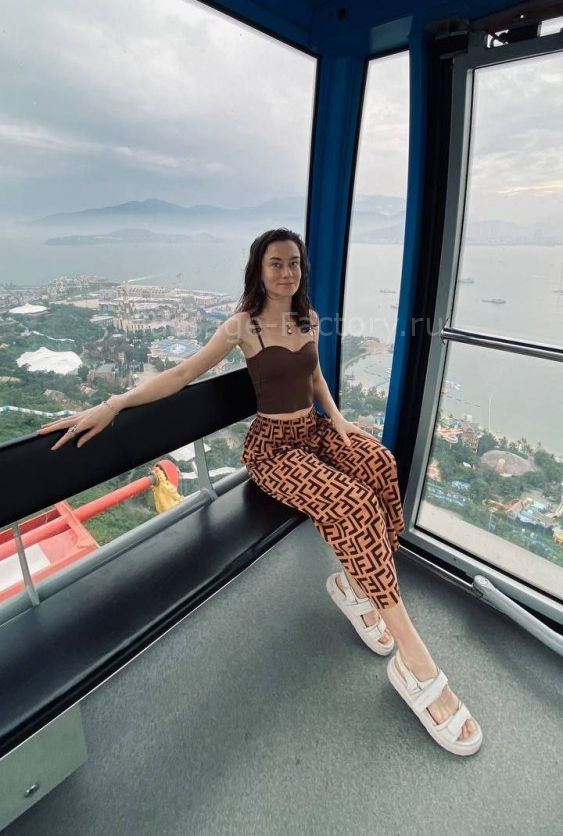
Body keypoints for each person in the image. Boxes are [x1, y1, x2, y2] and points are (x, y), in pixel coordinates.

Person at [36, 226, 482, 756]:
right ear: (259, 269)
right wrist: (112, 404)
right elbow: (181, 374)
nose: (287, 272)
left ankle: (359, 582)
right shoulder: (242, 325)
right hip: (274, 449)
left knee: (380, 463)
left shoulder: (309, 317)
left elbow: (315, 378)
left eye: (294, 262)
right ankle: (415, 660)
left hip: (314, 432)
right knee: (354, 503)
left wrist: (338, 420)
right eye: (276, 263)